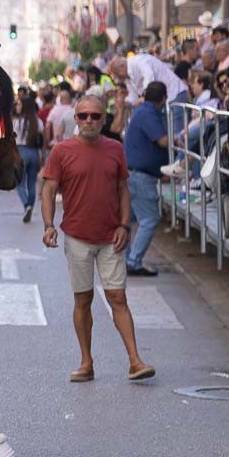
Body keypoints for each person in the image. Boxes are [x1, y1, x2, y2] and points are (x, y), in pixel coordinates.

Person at [41, 93, 155, 383]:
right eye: (83, 116)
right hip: (77, 236)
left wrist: (124, 226)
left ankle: (135, 361)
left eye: (95, 116)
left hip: (110, 237)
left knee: (118, 297)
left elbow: (122, 189)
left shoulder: (116, 149)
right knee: (83, 300)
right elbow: (48, 189)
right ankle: (86, 362)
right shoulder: (62, 151)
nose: (89, 120)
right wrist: (48, 225)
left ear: (104, 119)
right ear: (76, 119)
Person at [122, 81, 170, 277]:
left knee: (129, 219)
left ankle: (125, 258)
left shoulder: (143, 111)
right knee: (149, 219)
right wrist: (179, 137)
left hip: (133, 174)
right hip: (140, 176)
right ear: (163, 99)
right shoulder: (148, 113)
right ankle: (133, 261)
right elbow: (162, 140)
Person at [14, 96, 43, 222]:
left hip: (21, 152)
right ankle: (30, 206)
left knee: (19, 183)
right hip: (34, 152)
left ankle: (27, 205)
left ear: (24, 106)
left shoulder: (17, 121)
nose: (17, 106)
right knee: (32, 183)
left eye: (19, 104)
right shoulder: (38, 121)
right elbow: (43, 138)